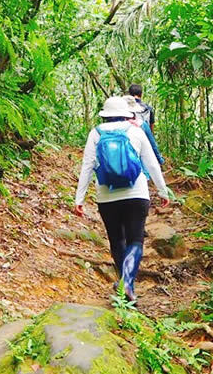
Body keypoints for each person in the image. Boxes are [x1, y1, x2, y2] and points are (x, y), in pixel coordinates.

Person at [74, 96, 171, 301]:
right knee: (136, 239)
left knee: (117, 239)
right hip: (136, 194)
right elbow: (152, 164)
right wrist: (163, 191)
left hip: (107, 196)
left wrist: (79, 198)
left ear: (105, 115)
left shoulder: (96, 133)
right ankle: (127, 283)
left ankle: (125, 283)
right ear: (126, 114)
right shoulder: (135, 131)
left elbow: (87, 167)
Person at [122, 94, 164, 167]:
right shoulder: (142, 122)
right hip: (139, 162)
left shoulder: (111, 127)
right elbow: (152, 142)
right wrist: (159, 159)